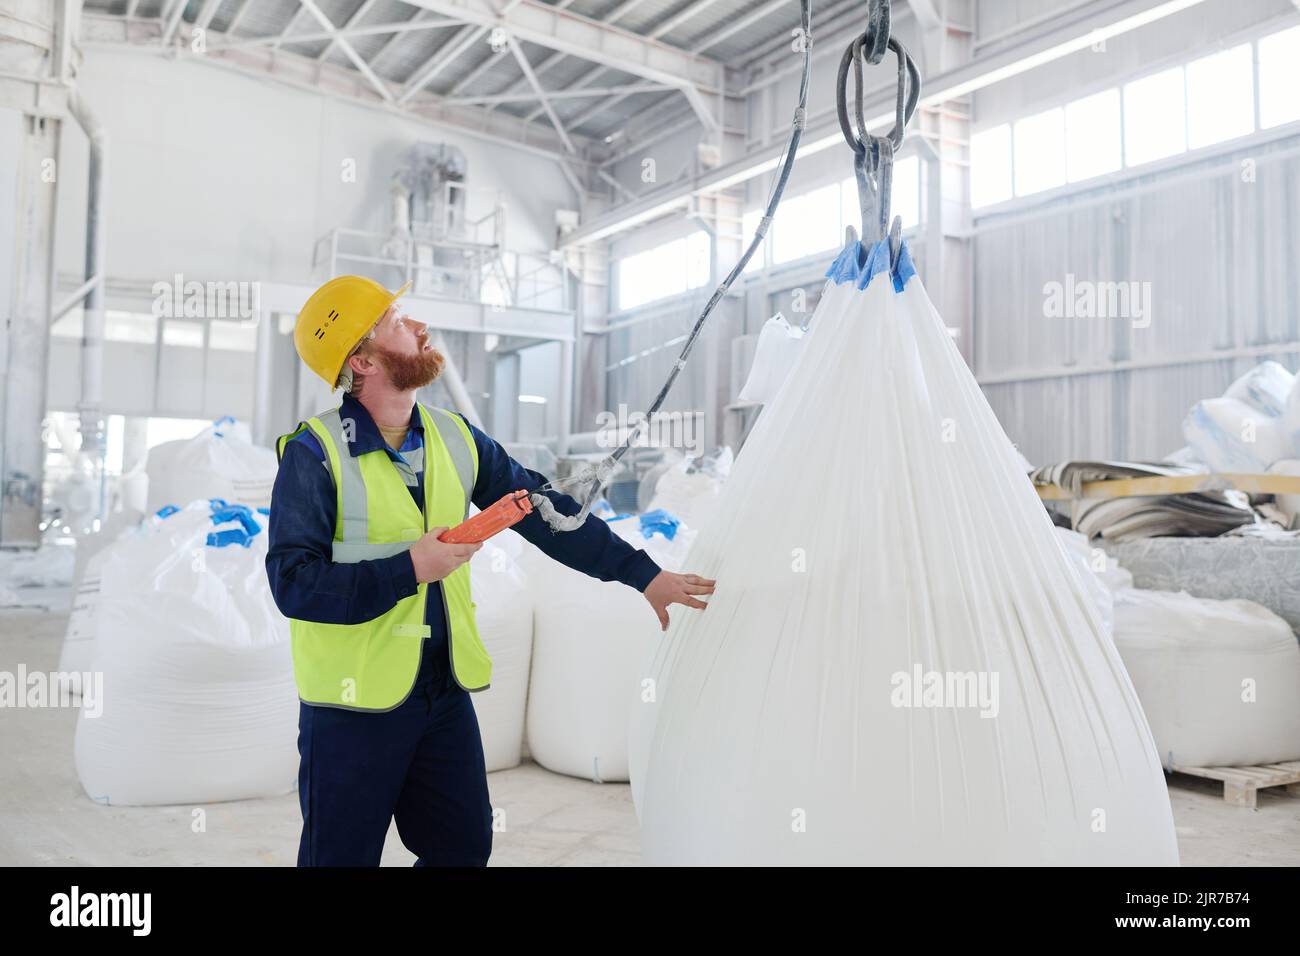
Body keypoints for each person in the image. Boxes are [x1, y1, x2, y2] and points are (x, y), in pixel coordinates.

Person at [265, 275, 715, 867]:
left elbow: (545, 512)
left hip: (440, 694)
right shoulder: (315, 453)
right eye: (398, 322)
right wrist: (411, 568)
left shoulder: (455, 438)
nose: (419, 327)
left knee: (463, 850)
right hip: (351, 706)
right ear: (362, 361)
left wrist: (643, 575)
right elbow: (294, 584)